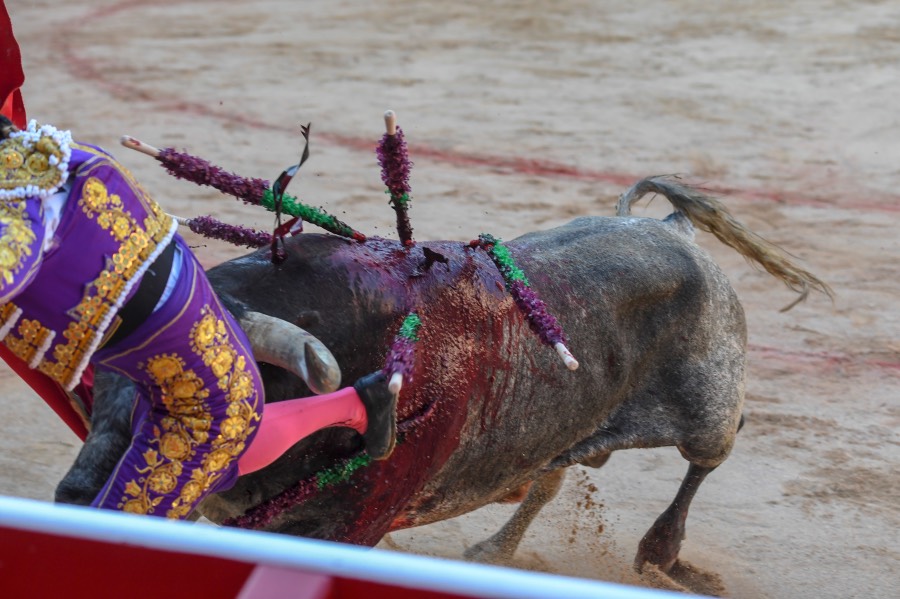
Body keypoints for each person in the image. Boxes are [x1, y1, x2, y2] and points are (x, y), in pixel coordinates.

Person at [0, 112, 397, 519]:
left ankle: (353, 408)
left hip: (197, 406)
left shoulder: (18, 215)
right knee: (220, 437)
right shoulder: (62, 154)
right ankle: (355, 406)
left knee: (106, 542)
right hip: (166, 349)